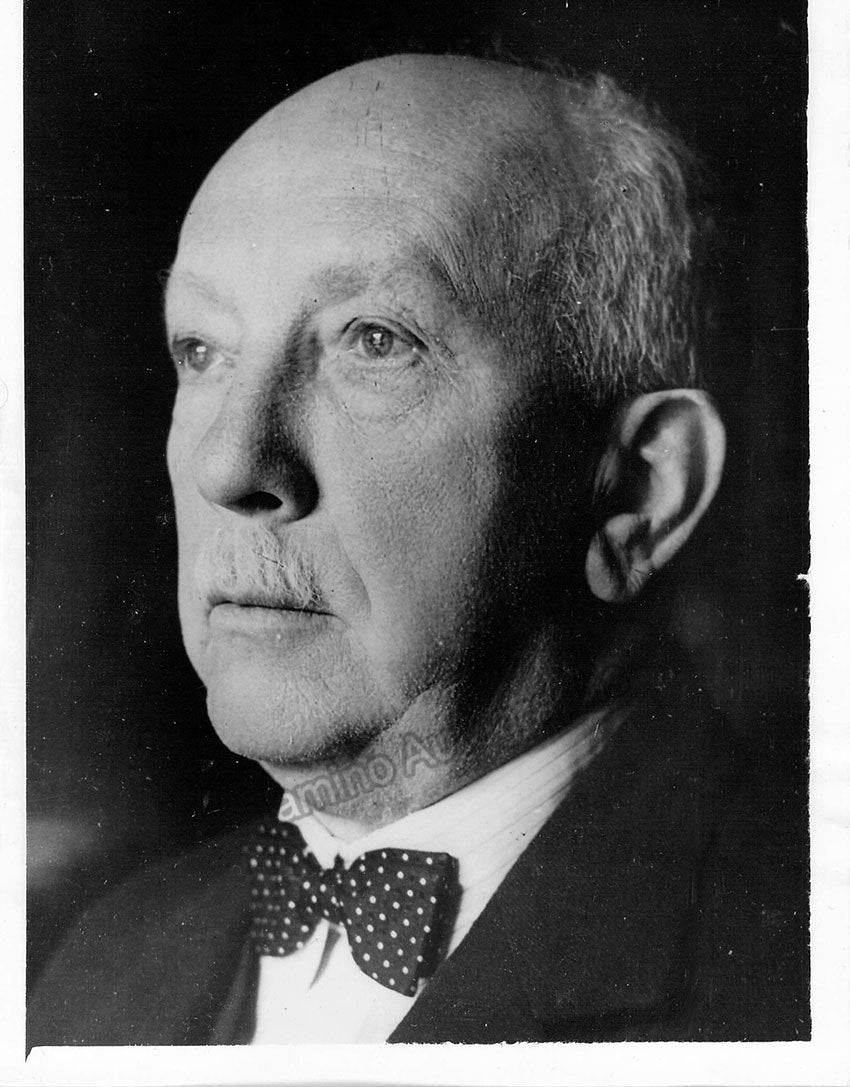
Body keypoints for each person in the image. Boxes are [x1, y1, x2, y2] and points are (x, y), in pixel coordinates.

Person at [28, 52, 806, 1045]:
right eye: (203, 350)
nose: (230, 464)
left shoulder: (797, 972)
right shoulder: (107, 960)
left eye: (375, 339)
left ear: (639, 492)